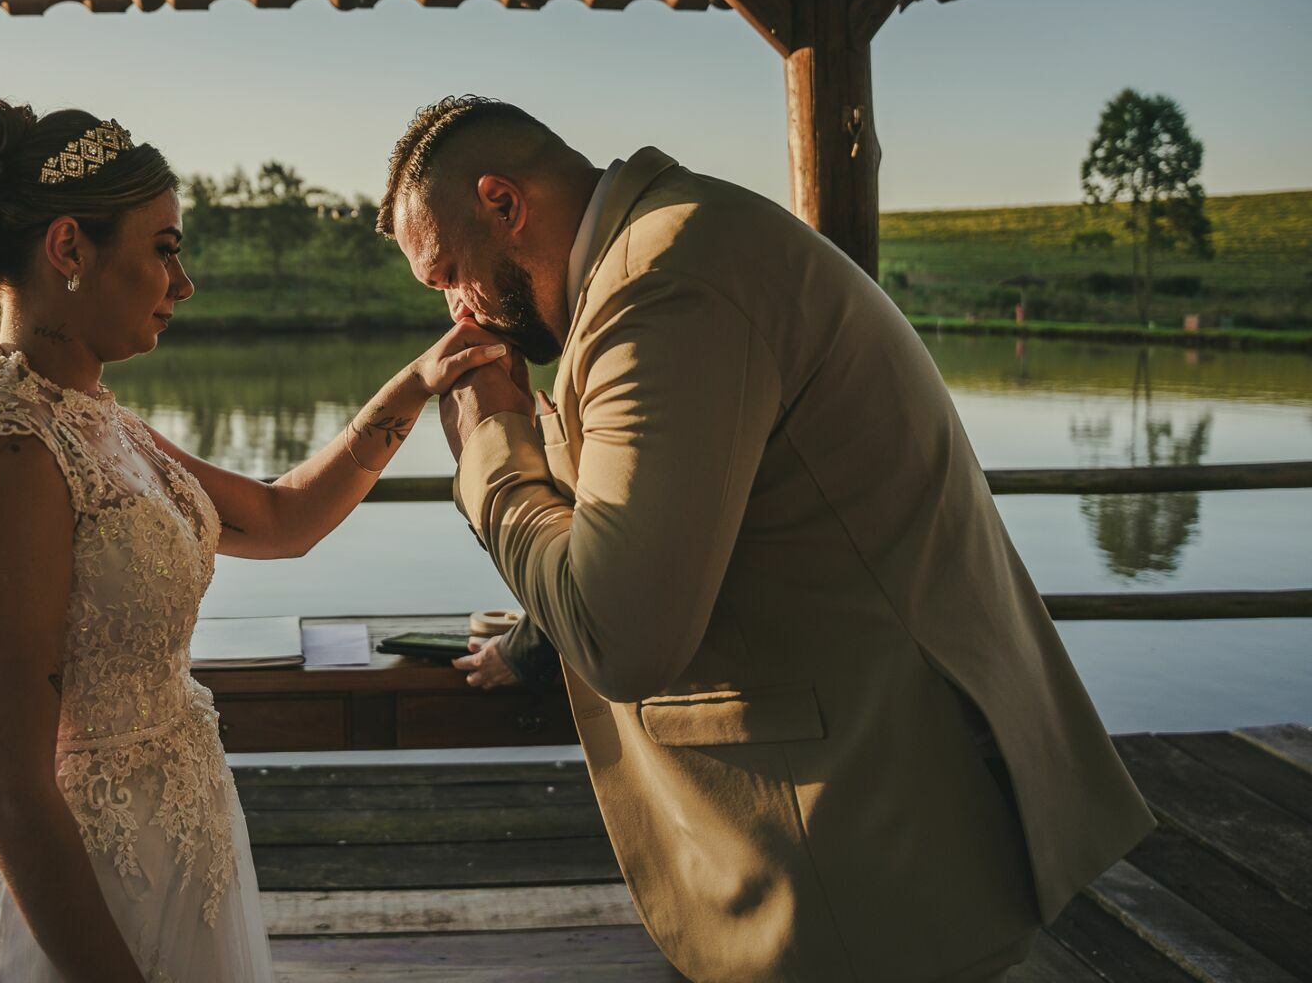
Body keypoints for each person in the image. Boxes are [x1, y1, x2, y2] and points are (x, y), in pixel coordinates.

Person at [384, 95, 1155, 982]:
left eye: (448, 274)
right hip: (887, 823)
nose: (458, 314)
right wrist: (531, 639)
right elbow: (690, 519)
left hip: (864, 851)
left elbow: (624, 636)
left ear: (503, 203)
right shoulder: (680, 242)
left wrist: (490, 453)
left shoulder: (662, 287)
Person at [0, 96, 504, 982]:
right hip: (84, 894)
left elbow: (280, 519)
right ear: (69, 249)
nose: (183, 285)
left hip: (174, 848)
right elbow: (6, 788)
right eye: (164, 251)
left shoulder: (86, 412)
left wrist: (414, 385)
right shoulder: (11, 455)